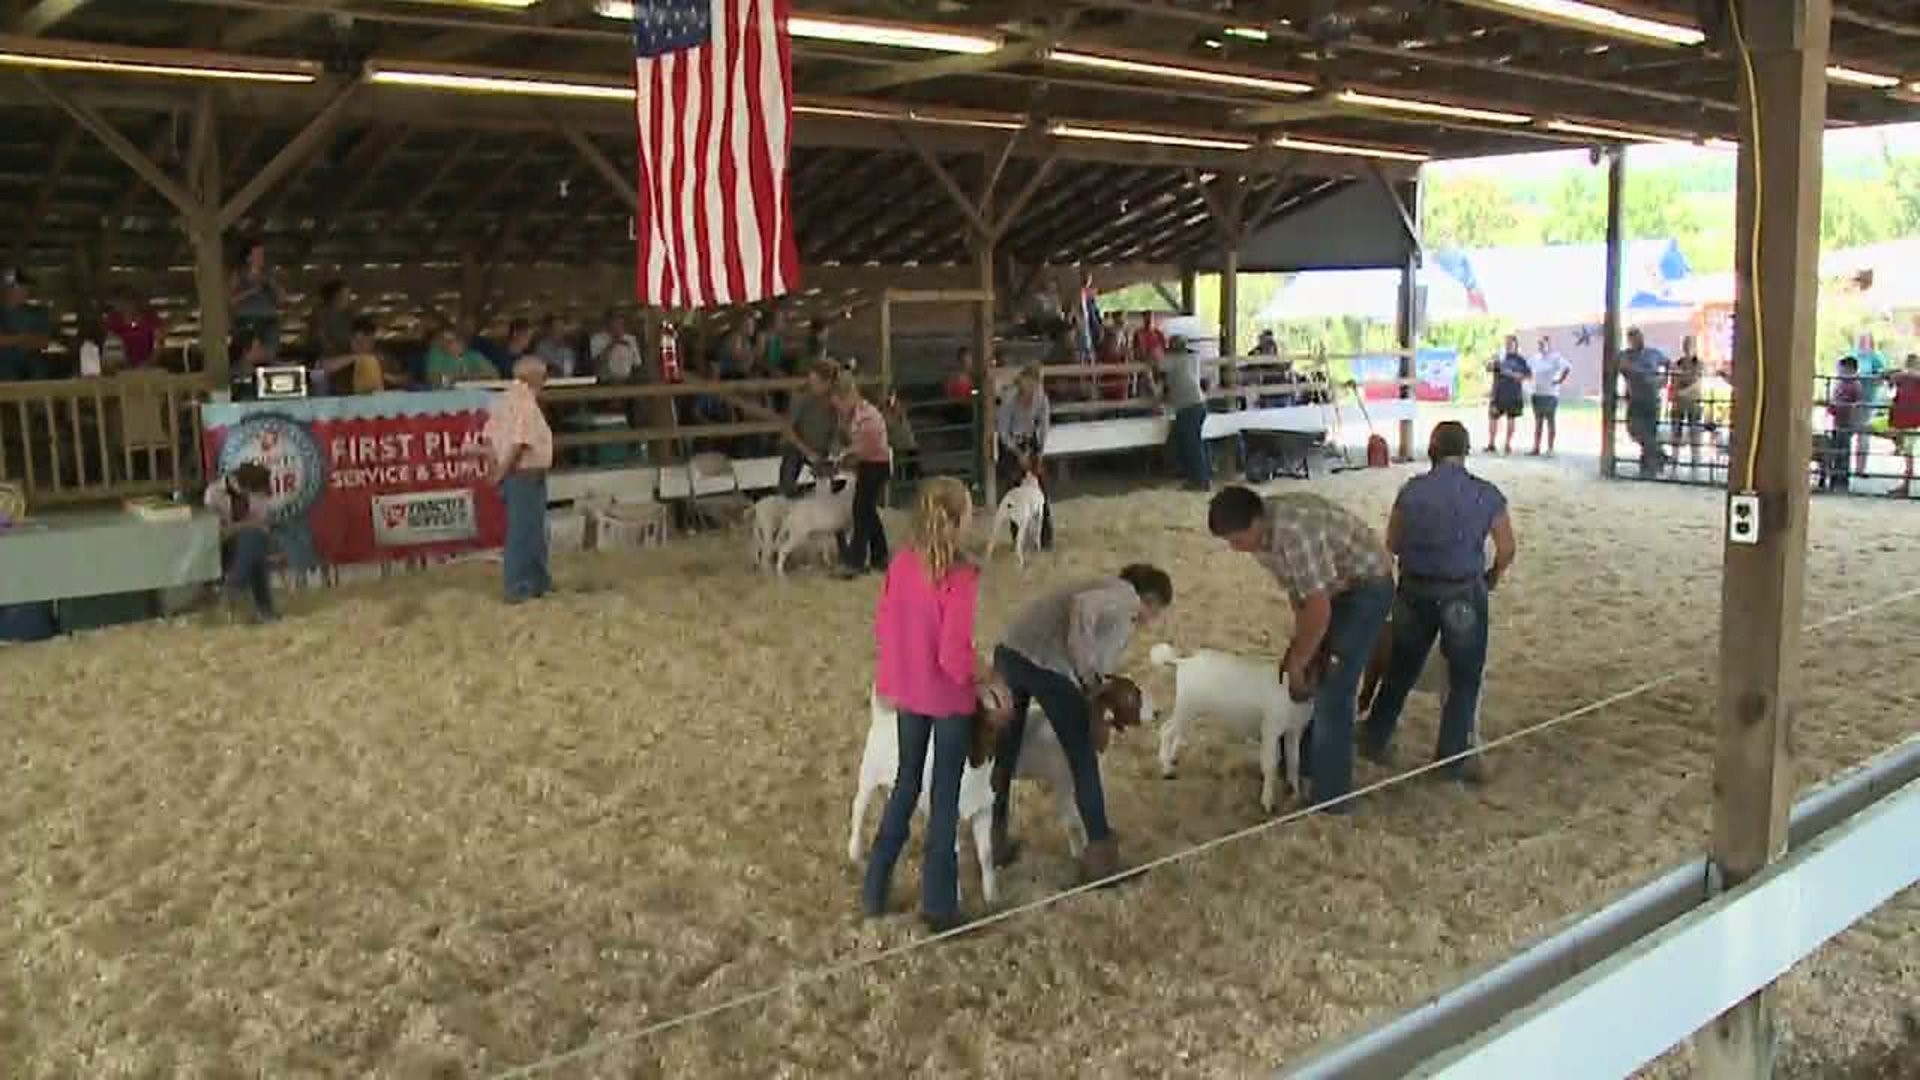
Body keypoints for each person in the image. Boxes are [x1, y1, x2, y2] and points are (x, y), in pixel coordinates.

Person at [861, 477, 1003, 932]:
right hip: (946, 698)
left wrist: (893, 678)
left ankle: (874, 887)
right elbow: (953, 655)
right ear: (959, 521)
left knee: (905, 785)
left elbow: (884, 626)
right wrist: (988, 674)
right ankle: (939, 905)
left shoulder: (901, 564)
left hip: (907, 691)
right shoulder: (961, 576)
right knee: (943, 799)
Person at [1207, 485, 1393, 812]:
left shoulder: (1294, 533)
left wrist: (1298, 660)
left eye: (1237, 539)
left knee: (1334, 686)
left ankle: (1333, 799)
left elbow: (1318, 608)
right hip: (1333, 586)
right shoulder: (1261, 540)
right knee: (1307, 669)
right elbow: (1301, 595)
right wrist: (1300, 649)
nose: (1235, 549)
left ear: (1256, 521)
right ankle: (1301, 768)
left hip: (1367, 586)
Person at [990, 564, 1172, 881]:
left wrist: (1092, 679)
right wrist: (1086, 673)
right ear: (1151, 600)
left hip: (1010, 651)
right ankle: (1101, 857)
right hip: (1047, 665)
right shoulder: (1124, 594)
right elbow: (1082, 610)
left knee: (1005, 750)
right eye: (1157, 610)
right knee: (1083, 759)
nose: (1153, 619)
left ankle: (994, 840)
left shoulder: (1110, 603)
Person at [1362, 421, 1516, 784]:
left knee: (1400, 666)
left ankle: (1375, 737)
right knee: (1464, 677)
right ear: (1465, 450)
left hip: (1416, 589)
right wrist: (1490, 577)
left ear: (1432, 449)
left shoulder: (1412, 491)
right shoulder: (1487, 493)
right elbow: (1507, 549)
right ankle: (1448, 762)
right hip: (1462, 592)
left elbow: (1393, 543)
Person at [485, 356, 555, 604]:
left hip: (516, 475)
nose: (545, 379)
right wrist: (501, 472)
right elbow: (519, 443)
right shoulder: (525, 403)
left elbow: (490, 439)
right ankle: (518, 586)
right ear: (534, 377)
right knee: (525, 532)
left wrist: (496, 471)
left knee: (530, 530)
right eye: (543, 374)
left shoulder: (503, 400)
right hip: (525, 473)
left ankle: (537, 581)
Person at [204, 462, 279, 624]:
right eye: (247, 491)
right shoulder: (213, 493)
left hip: (251, 541)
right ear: (235, 481)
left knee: (254, 541)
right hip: (222, 545)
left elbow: (264, 525)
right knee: (254, 544)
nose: (249, 495)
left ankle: (234, 587)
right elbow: (216, 532)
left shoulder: (258, 492)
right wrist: (247, 525)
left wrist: (241, 527)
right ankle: (264, 608)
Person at [832, 373, 892, 578]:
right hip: (868, 464)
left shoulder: (868, 417)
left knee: (861, 510)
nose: (837, 408)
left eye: (839, 403)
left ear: (848, 396)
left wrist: (841, 460)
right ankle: (880, 556)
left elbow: (862, 450)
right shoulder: (853, 414)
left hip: (876, 465)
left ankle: (856, 562)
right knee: (867, 510)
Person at [996, 364, 1053, 549]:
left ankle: (1045, 540)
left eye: (1038, 383)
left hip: (1032, 443)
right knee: (1014, 493)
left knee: (1041, 491)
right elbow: (1004, 432)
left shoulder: (1042, 399)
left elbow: (1044, 427)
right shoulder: (1009, 400)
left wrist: (1040, 453)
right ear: (1023, 381)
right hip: (1012, 444)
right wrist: (1018, 453)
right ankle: (1017, 540)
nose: (1035, 387)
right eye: (1032, 382)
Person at [780, 360, 839, 498]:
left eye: (817, 382)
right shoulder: (801, 396)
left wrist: (835, 445)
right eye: (811, 380)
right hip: (800, 447)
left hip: (825, 448)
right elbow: (788, 429)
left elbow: (839, 426)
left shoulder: (835, 398)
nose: (812, 385)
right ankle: (787, 496)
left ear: (828, 383)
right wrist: (808, 452)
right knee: (790, 462)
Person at [1158, 336, 1210, 491]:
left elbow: (1158, 365)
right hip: (1197, 404)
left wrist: (1154, 354)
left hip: (1188, 406)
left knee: (1191, 445)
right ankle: (1195, 477)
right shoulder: (1192, 358)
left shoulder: (1174, 360)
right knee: (1188, 442)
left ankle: (1201, 480)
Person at [1619, 327, 1669, 478]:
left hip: (1651, 398)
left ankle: (1649, 467)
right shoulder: (1626, 355)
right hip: (1635, 398)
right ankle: (1659, 454)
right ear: (1629, 340)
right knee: (1634, 430)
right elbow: (1623, 368)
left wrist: (1664, 379)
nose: (1636, 340)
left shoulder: (1653, 353)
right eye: (1633, 337)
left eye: (1638, 336)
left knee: (1650, 431)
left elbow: (1668, 364)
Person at [228, 238, 284, 359]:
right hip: (246, 319)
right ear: (248, 258)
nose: (261, 258)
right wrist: (251, 291)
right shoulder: (238, 274)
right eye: (257, 254)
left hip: (269, 320)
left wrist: (272, 283)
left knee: (270, 350)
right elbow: (231, 300)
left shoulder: (269, 274)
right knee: (248, 350)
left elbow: (281, 299)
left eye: (262, 254)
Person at [0, 268, 52, 381]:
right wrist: (22, 338)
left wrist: (11, 340)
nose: (25, 291)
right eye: (20, 287)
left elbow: (43, 342)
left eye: (26, 287)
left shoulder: (37, 313)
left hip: (32, 371)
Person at [1485, 335, 1530, 455]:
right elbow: (1488, 368)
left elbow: (1526, 376)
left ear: (1516, 345)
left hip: (1513, 395)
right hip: (1497, 394)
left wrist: (1509, 373)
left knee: (1511, 419)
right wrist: (1491, 363)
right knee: (1493, 418)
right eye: (1507, 343)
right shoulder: (1499, 358)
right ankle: (1491, 444)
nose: (1508, 345)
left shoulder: (1520, 360)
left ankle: (1507, 444)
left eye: (1511, 343)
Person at [1826, 356, 1865, 491]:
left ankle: (1841, 480)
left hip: (1846, 421)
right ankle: (1835, 478)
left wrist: (1852, 415)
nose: (1839, 371)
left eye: (1842, 369)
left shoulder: (1855, 384)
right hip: (1838, 420)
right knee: (1836, 450)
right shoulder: (1840, 383)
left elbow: (1858, 403)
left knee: (1843, 450)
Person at [1668, 336, 1706, 474]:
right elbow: (1674, 381)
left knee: (1694, 432)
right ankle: (1674, 460)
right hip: (1679, 403)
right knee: (1676, 430)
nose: (1688, 348)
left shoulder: (1699, 364)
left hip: (1693, 402)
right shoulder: (1678, 363)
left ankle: (1695, 462)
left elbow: (1697, 382)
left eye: (1691, 345)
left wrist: (1682, 391)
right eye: (1686, 345)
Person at [1527, 335, 1570, 456]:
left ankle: (1550, 448)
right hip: (1537, 393)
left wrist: (1559, 380)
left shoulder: (1556, 357)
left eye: (1543, 344)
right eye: (1539, 344)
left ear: (1548, 345)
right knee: (1538, 422)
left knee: (1550, 421)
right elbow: (1527, 369)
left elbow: (1567, 367)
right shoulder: (1535, 358)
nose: (1541, 346)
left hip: (1550, 394)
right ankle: (1536, 447)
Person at [104, 289, 164, 372]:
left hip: (149, 366)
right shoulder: (114, 319)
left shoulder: (150, 318)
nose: (117, 304)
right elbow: (110, 345)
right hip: (121, 367)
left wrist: (148, 364)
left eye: (121, 301)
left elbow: (158, 344)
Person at [423, 325, 497, 387]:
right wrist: (453, 379)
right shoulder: (436, 355)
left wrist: (474, 377)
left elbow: (494, 374)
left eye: (453, 340)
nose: (448, 344)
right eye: (444, 340)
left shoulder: (473, 355)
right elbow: (432, 378)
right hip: (444, 394)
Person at [1887, 354, 1919, 497]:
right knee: (1908, 452)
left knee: (1908, 453)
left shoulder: (1900, 377)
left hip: (1905, 419)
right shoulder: (1910, 378)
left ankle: (1905, 486)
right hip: (1910, 419)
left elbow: (1888, 379)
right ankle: (1905, 485)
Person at [306, 280, 355, 365]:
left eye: (349, 295)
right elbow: (321, 341)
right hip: (327, 360)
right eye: (345, 296)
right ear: (334, 297)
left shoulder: (349, 314)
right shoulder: (320, 315)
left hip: (345, 357)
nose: (349, 299)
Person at [590, 311, 642, 382]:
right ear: (608, 324)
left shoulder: (631, 339)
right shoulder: (597, 339)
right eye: (615, 323)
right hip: (605, 382)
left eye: (620, 324)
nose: (618, 326)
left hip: (627, 381)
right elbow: (596, 363)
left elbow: (637, 363)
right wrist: (612, 345)